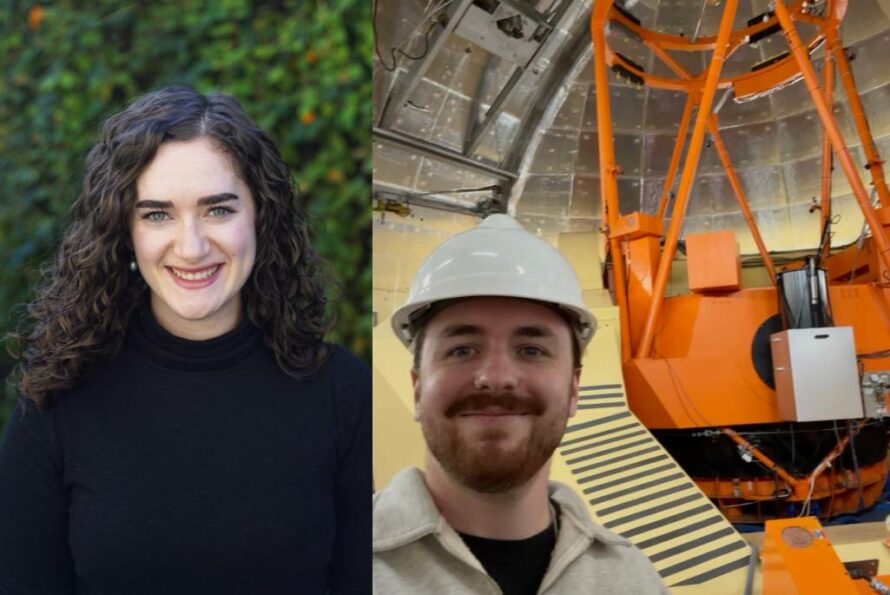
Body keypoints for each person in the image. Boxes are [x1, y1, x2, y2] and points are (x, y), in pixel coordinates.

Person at [0, 87, 370, 593]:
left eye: (218, 210)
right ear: (124, 231)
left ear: (260, 215)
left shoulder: (345, 395)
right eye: (157, 214)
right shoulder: (57, 402)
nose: (191, 247)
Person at [373, 214, 667, 594]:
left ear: (574, 389)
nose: (495, 377)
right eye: (462, 350)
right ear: (417, 388)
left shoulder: (631, 581)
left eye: (531, 350)